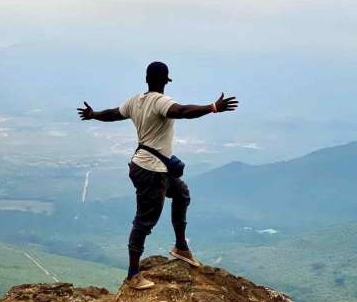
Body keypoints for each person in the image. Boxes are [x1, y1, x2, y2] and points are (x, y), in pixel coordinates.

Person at [77, 61, 239, 289]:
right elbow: (182, 111)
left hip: (147, 166)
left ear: (146, 79)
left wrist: (93, 114)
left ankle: (181, 247)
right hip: (151, 171)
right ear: (166, 80)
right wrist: (212, 107)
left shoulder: (135, 101)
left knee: (181, 193)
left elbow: (114, 114)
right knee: (144, 221)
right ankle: (133, 274)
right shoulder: (161, 102)